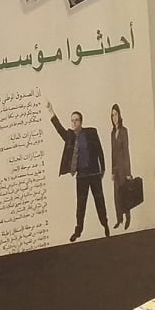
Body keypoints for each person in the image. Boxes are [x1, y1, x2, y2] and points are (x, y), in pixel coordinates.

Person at [47, 100, 109, 241]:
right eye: (72, 120)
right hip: (81, 176)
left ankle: (105, 224)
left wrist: (103, 169)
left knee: (99, 200)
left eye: (76, 120)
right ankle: (78, 231)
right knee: (81, 204)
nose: (74, 123)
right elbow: (59, 129)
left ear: (81, 121)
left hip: (94, 173)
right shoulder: (70, 137)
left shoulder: (91, 132)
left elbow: (100, 150)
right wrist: (51, 112)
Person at [110, 102, 133, 230]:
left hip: (124, 169)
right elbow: (112, 153)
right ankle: (119, 219)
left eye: (116, 114)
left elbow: (126, 152)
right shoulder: (112, 133)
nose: (114, 117)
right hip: (116, 170)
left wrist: (128, 173)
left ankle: (128, 218)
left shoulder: (124, 131)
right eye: (112, 115)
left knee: (125, 194)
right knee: (117, 195)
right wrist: (113, 171)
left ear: (119, 115)